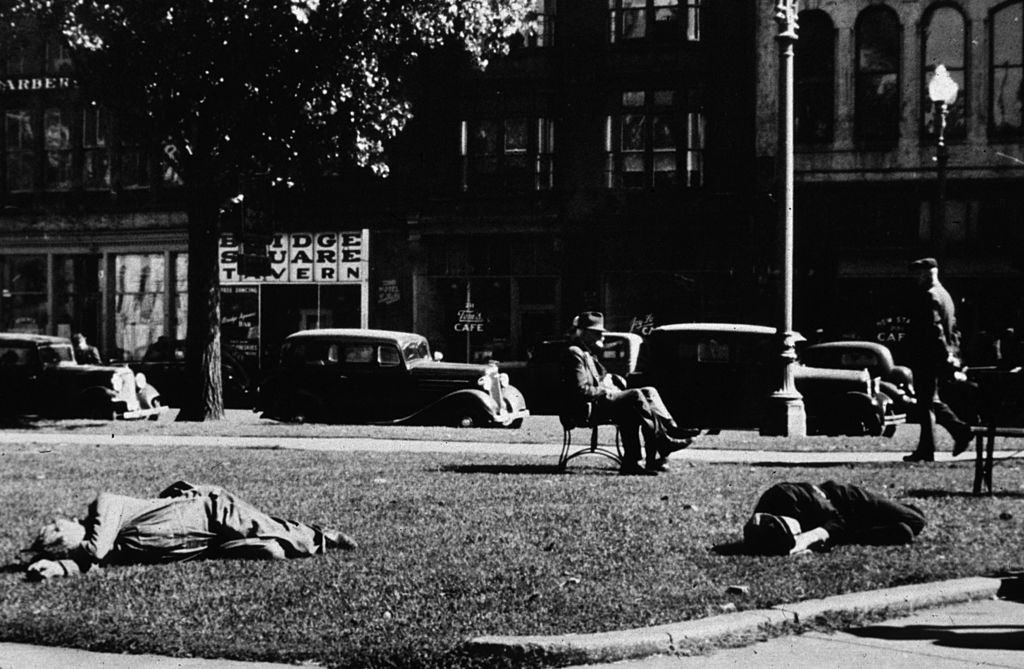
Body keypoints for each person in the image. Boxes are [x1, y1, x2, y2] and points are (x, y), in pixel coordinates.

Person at [21, 480, 357, 580]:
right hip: (206, 546)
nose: (63, 525)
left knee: (262, 525)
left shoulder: (103, 505)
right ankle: (287, 542)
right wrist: (58, 567)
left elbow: (94, 552)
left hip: (207, 512)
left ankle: (322, 535)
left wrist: (69, 557)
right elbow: (92, 562)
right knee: (270, 552)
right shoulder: (105, 549)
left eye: (59, 529)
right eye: (58, 540)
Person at [561, 311, 693, 476]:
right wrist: (606, 390)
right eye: (597, 333)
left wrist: (612, 378)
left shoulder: (586, 352)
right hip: (584, 409)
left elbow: (600, 377)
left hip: (598, 403)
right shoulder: (574, 353)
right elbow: (581, 390)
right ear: (583, 333)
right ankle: (663, 443)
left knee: (648, 392)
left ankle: (663, 437)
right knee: (635, 396)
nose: (603, 337)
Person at [902, 257, 973, 462]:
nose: (916, 278)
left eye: (918, 274)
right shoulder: (945, 295)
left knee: (926, 402)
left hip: (928, 356)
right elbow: (953, 328)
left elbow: (936, 330)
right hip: (939, 355)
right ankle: (956, 434)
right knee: (930, 401)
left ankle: (948, 438)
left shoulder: (930, 295)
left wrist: (944, 355)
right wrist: (953, 354)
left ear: (927, 273)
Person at [742, 481, 926, 555]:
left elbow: (836, 520)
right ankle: (858, 532)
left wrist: (807, 539)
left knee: (917, 521)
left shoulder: (786, 495)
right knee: (904, 531)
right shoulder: (759, 532)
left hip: (846, 500)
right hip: (837, 523)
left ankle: (859, 530)